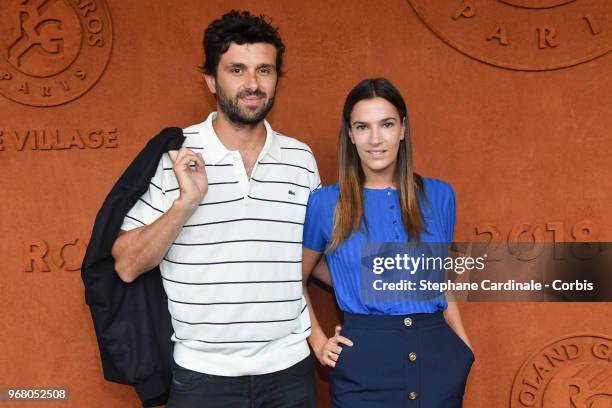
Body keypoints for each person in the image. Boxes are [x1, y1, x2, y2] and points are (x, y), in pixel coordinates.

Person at [111, 10, 320, 408]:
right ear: (211, 79)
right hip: (202, 380)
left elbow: (315, 256)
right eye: (237, 70)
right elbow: (126, 264)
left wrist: (428, 272)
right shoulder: (174, 154)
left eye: (265, 70)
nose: (253, 84)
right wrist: (185, 203)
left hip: (291, 375)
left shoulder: (301, 159)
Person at [302, 78, 474, 407]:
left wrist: (463, 345)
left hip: (437, 357)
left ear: (403, 129)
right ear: (350, 135)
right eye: (363, 127)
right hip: (363, 365)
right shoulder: (325, 204)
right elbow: (296, 277)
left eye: (387, 124)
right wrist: (318, 341)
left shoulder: (440, 196)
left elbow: (438, 278)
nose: (376, 139)